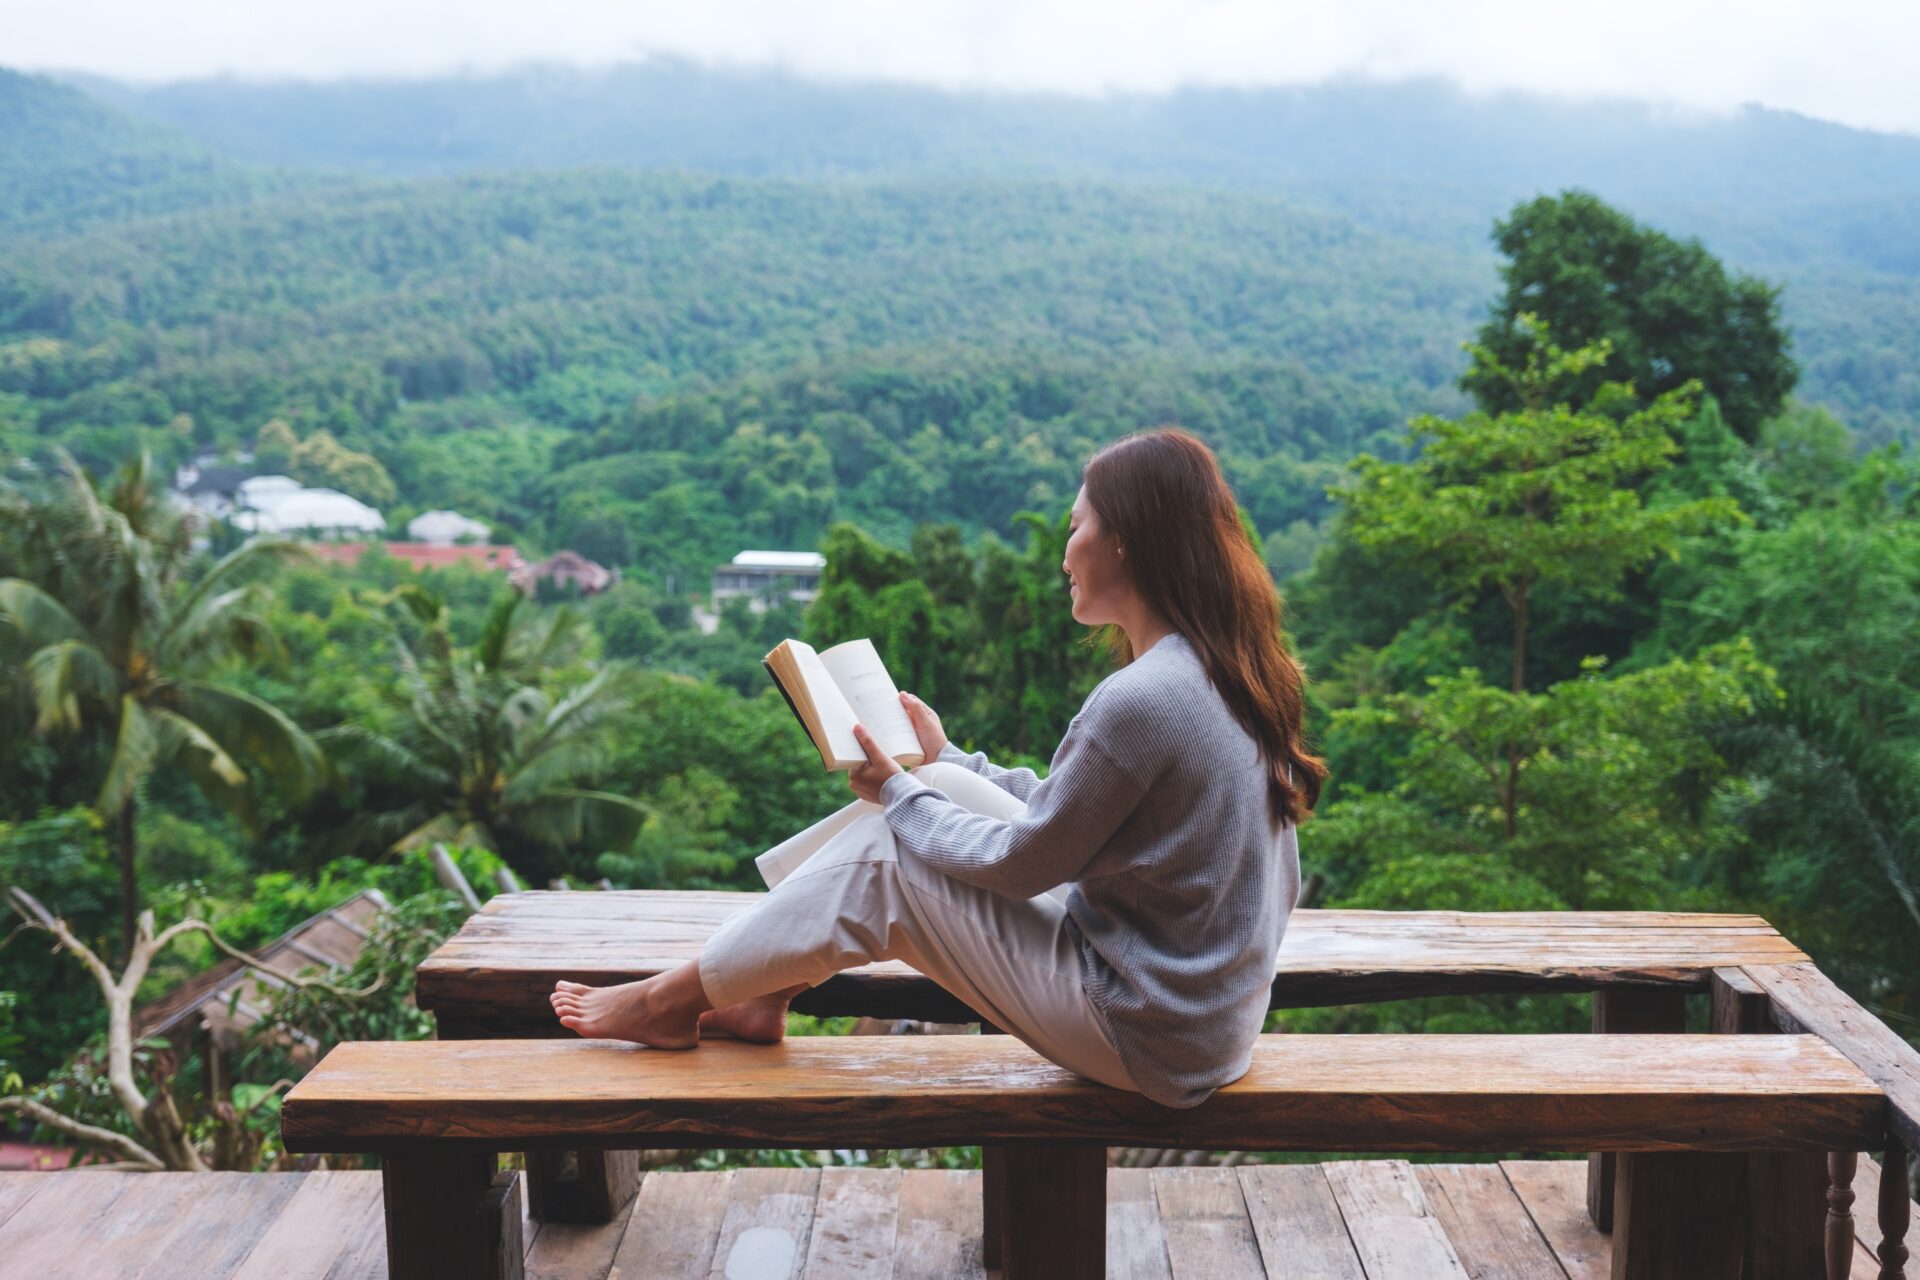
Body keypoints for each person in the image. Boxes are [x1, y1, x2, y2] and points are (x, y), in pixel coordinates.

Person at [550, 427, 1326, 1108]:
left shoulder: (1143, 698)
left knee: (893, 846)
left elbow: (1028, 860)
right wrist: (943, 762)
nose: (1065, 550)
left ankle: (670, 999)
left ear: (1123, 540)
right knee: (942, 792)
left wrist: (896, 791)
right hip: (1201, 1019)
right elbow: (1073, 811)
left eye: (1077, 525)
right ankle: (759, 991)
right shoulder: (1217, 669)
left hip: (1147, 1033)